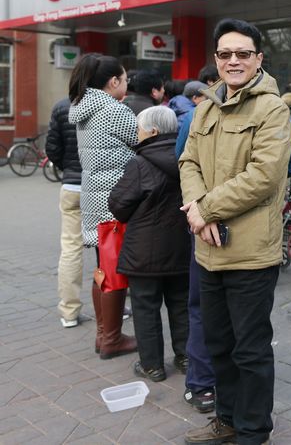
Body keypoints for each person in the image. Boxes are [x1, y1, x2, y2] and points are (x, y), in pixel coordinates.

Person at [179, 18, 291, 445]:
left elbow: (263, 176)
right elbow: (188, 161)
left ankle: (252, 431)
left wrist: (204, 209)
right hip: (207, 248)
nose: (233, 61)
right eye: (225, 54)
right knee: (217, 344)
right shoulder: (206, 105)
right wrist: (198, 210)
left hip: (249, 251)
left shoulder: (271, 108)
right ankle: (226, 420)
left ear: (258, 59)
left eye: (243, 53)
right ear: (216, 59)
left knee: (250, 350)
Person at [108, 106, 190, 383]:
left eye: (139, 129)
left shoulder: (139, 164)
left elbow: (119, 205)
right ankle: (186, 357)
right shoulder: (187, 157)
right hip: (182, 247)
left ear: (153, 132)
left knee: (145, 307)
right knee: (181, 305)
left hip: (143, 252)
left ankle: (152, 365)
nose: (136, 134)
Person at [68, 53, 139, 359]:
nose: (126, 84)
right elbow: (144, 143)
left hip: (95, 199)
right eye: (124, 79)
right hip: (117, 202)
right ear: (113, 82)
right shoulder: (114, 110)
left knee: (103, 267)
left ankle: (103, 335)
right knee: (113, 271)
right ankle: (111, 338)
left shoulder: (82, 108)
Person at [174, 67, 219, 414]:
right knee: (241, 311)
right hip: (245, 226)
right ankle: (227, 385)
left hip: (203, 224)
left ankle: (203, 384)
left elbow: (182, 162)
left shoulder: (193, 115)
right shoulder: (274, 110)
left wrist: (200, 210)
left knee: (202, 305)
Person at [46, 96, 85, 328]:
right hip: (101, 187)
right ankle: (113, 307)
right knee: (106, 247)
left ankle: (69, 311)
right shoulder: (109, 105)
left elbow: (52, 147)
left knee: (71, 248)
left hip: (71, 185)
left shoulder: (61, 106)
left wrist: (68, 168)